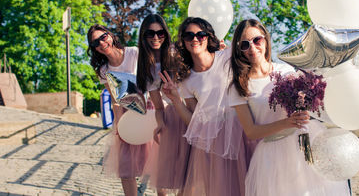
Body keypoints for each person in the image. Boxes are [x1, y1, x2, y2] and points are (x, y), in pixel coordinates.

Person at [228, 19, 351, 196]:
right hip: (272, 155)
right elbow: (251, 132)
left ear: (266, 40)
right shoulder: (238, 86)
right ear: (239, 50)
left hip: (304, 143)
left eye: (257, 40)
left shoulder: (287, 72)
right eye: (245, 44)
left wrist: (305, 110)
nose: (252, 48)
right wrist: (287, 123)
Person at [159, 17, 250, 196]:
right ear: (183, 42)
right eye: (189, 35)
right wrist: (176, 99)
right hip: (212, 142)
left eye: (200, 34)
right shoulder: (185, 78)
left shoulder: (227, 57)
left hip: (240, 133)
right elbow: (193, 121)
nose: (195, 39)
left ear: (208, 37)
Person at [87, 24, 152, 196]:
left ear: (110, 35)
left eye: (103, 37)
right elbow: (116, 100)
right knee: (126, 167)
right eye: (95, 43)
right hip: (126, 115)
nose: (101, 43)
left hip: (149, 109)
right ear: (94, 49)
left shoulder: (134, 53)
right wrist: (118, 127)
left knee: (156, 162)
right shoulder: (103, 71)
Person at [136, 14, 190, 196]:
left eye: (160, 33)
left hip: (192, 111)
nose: (155, 37)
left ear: (166, 34)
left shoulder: (178, 54)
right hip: (172, 117)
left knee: (190, 173)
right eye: (150, 33)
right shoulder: (148, 67)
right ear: (143, 35)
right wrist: (160, 123)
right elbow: (159, 107)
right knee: (165, 177)